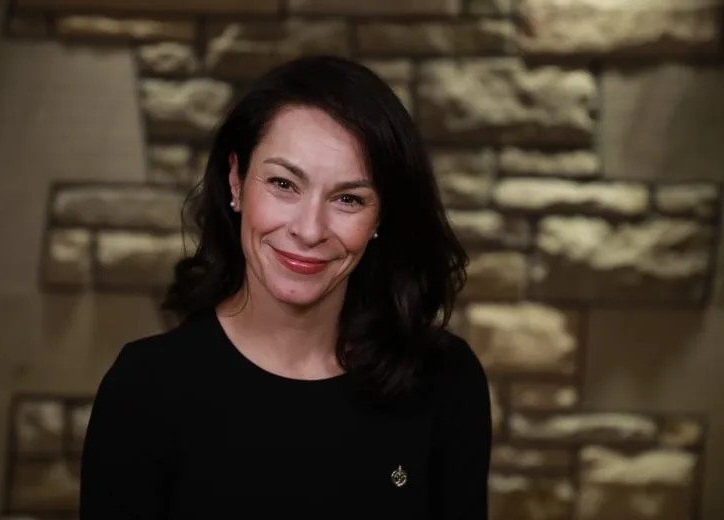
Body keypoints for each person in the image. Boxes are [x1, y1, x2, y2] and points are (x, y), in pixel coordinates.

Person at [79, 54, 492, 519]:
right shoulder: (145, 389)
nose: (309, 229)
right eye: (283, 183)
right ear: (236, 181)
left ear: (382, 216)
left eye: (348, 199)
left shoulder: (444, 380)